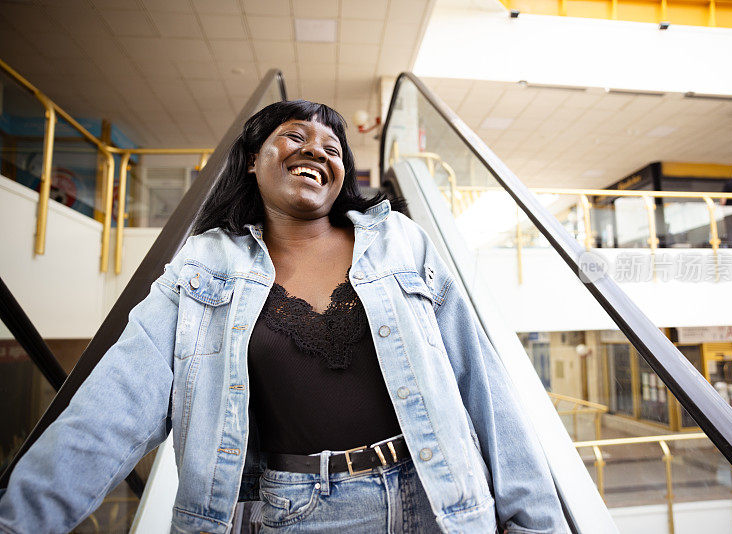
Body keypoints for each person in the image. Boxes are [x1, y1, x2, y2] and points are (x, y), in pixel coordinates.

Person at [0, 101, 568, 534]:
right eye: (294, 136)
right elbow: (115, 407)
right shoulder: (204, 265)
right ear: (252, 160)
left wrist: (537, 522)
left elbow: (484, 388)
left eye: (332, 147)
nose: (316, 150)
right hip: (296, 512)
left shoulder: (401, 243)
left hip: (442, 499)